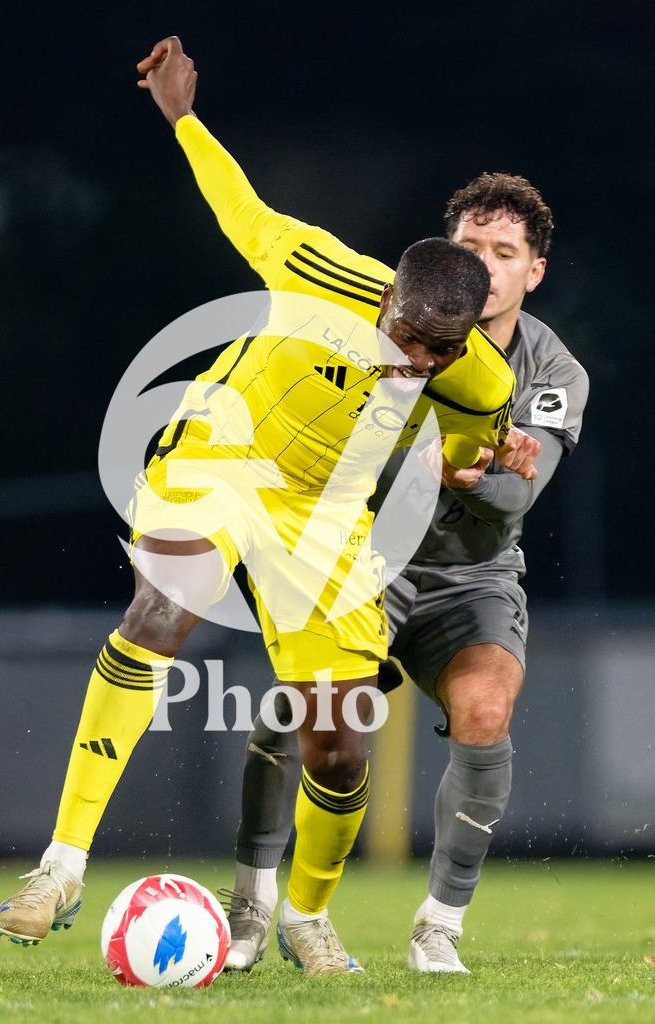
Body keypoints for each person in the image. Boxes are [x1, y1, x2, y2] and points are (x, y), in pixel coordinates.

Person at [0, 37, 541, 976]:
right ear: (388, 299)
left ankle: (306, 917)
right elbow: (235, 202)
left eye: (431, 353)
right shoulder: (318, 266)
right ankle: (61, 866)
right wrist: (182, 116)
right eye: (401, 336)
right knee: (165, 606)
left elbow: (459, 449)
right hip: (223, 451)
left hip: (321, 515)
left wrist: (480, 456)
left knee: (338, 741)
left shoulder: (478, 379)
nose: (411, 359)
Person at [221, 172, 589, 974]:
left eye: (506, 252)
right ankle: (251, 903)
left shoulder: (553, 372)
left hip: (472, 577)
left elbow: (514, 496)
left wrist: (467, 475)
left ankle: (439, 924)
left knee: (487, 708)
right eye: (471, 248)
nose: (486, 266)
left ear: (534, 271)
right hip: (363, 560)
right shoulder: (381, 322)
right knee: (299, 719)